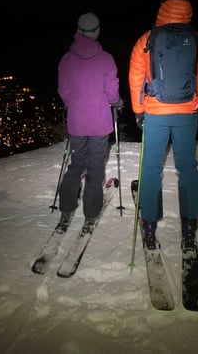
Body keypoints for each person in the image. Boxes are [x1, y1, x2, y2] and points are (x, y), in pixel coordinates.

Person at [128, 0, 198, 250]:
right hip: (186, 112)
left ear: (162, 8)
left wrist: (138, 110)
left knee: (151, 167)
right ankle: (189, 228)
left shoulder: (147, 39)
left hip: (155, 112)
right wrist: (196, 103)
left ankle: (150, 226)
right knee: (187, 167)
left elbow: (135, 78)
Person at [57, 12, 123, 233]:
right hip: (99, 122)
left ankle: (66, 208)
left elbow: (64, 92)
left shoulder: (66, 60)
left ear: (78, 31)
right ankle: (91, 212)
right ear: (96, 32)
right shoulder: (106, 59)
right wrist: (117, 102)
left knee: (77, 163)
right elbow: (112, 92)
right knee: (95, 166)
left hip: (77, 121)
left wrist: (73, 104)